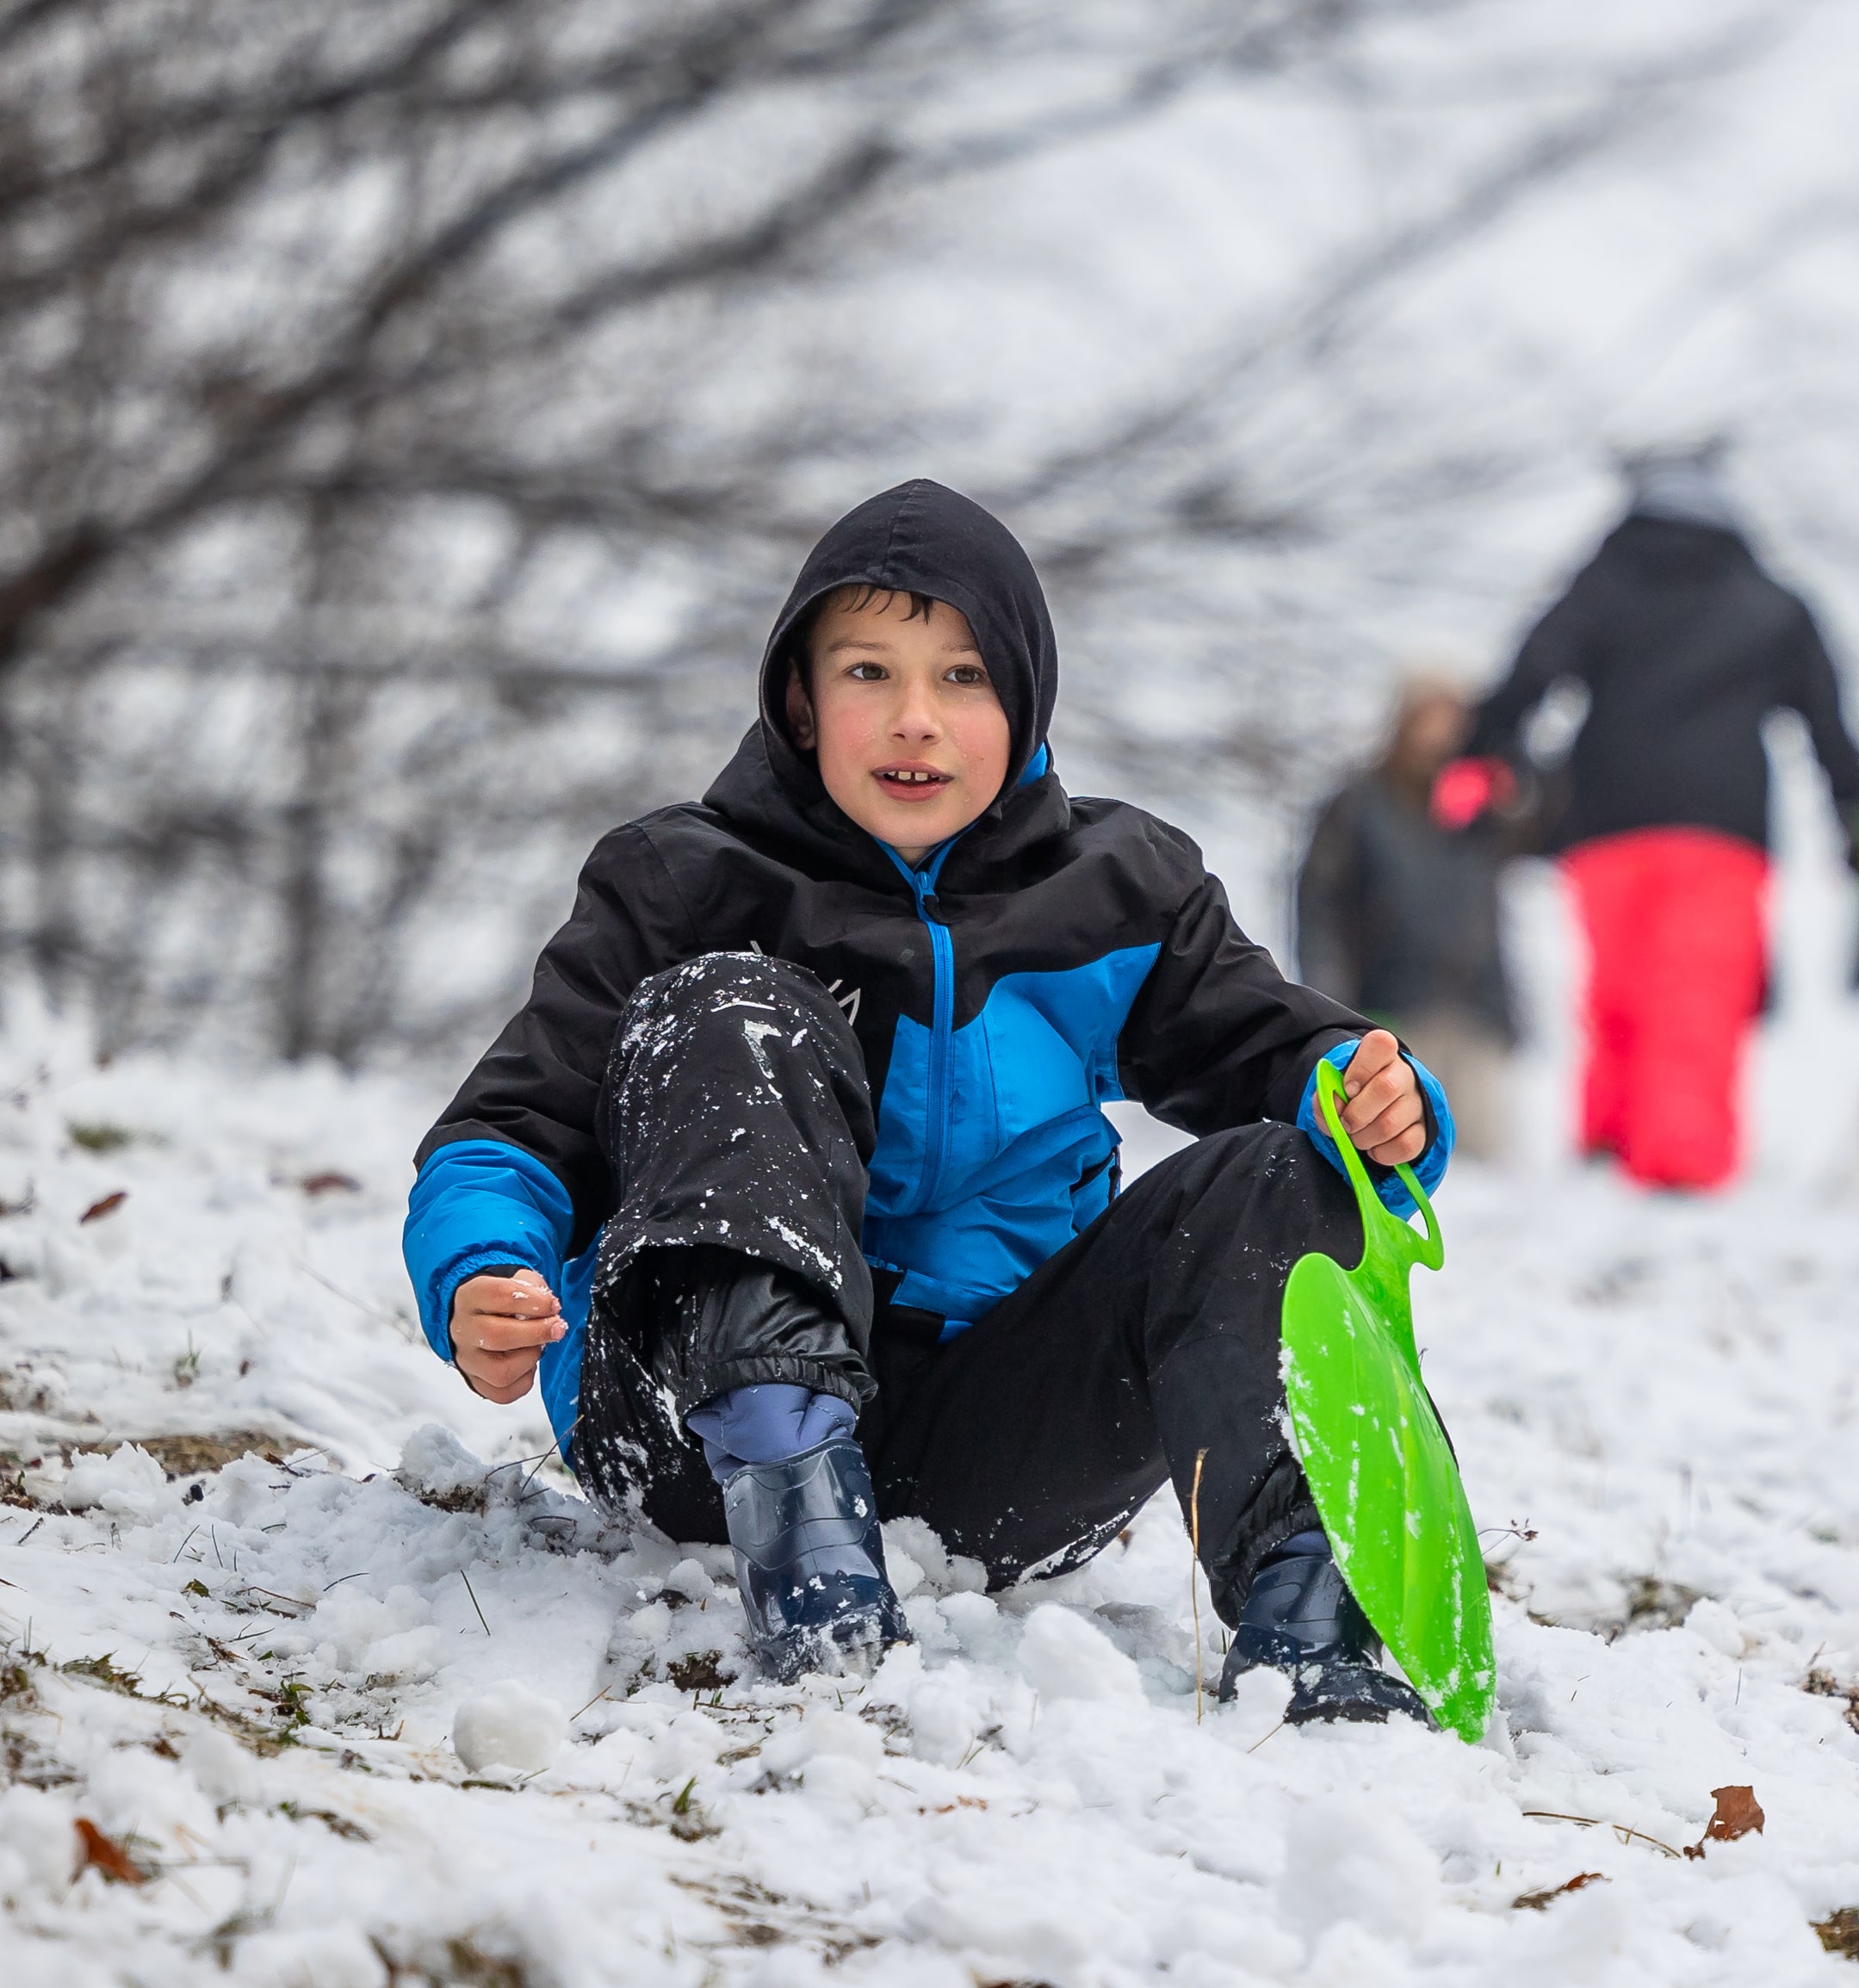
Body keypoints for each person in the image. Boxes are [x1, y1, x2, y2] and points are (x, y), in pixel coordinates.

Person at [400, 480, 1455, 1721]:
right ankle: (804, 1539)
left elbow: (1283, 1047)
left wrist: (1374, 1099)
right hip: (693, 1432)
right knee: (737, 1006)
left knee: (1275, 1168)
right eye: (868, 672)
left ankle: (1309, 1621)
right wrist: (482, 1268)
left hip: (1000, 1450)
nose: (916, 720)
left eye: (963, 677)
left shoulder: (1120, 889)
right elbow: (513, 1123)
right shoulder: (682, 883)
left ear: (1024, 702)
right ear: (801, 699)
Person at [1446, 444, 1859, 1190]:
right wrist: (1856, 815)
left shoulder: (1604, 584)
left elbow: (1535, 664)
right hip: (1721, 830)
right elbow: (1828, 723)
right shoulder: (1770, 601)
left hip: (1606, 819)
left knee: (1616, 992)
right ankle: (1679, 1161)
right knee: (1695, 994)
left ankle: (1608, 1140)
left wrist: (1482, 750)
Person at [1296, 672, 1530, 1162]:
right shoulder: (1359, 803)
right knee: (1396, 1159)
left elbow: (1544, 819)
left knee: (1486, 1164)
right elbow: (1319, 910)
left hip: (1477, 1012)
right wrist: (1332, 1013)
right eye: (1431, 717)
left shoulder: (1484, 807)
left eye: (1457, 721)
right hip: (1390, 1014)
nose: (1443, 735)